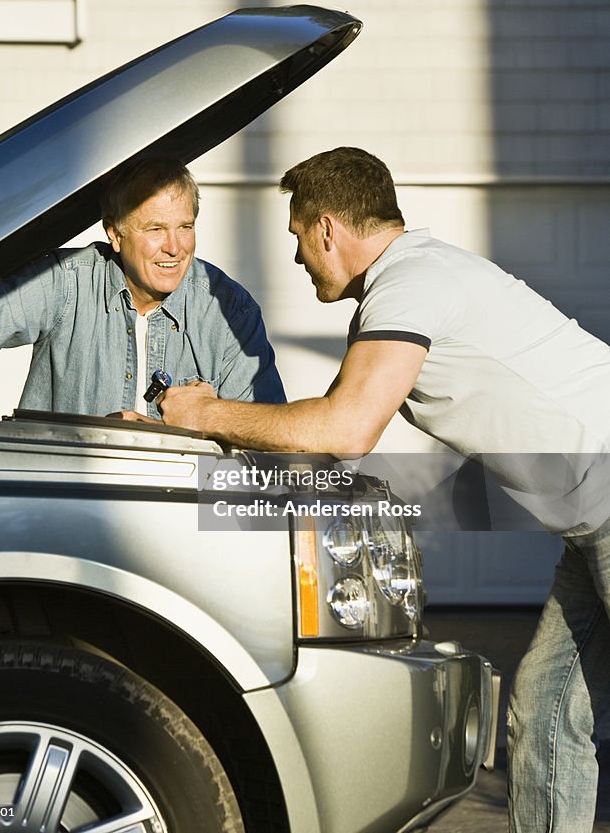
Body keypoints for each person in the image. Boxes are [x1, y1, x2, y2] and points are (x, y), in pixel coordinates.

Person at [159, 146, 610, 833]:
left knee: (549, 717)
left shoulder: (411, 283)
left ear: (328, 229)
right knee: (545, 714)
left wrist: (204, 413)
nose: (298, 259)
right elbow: (326, 439)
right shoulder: (410, 284)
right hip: (590, 528)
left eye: (297, 239)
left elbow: (343, 429)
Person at [0, 157, 285, 418]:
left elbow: (266, 440)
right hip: (63, 507)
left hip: (183, 516)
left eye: (185, 226)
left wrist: (176, 431)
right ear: (115, 234)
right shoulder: (65, 280)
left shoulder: (230, 309)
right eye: (156, 229)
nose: (176, 246)